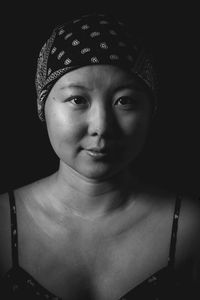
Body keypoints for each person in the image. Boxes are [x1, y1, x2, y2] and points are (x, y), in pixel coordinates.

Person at [0, 12, 199, 300]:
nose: (102, 126)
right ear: (44, 106)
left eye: (125, 101)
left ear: (150, 110)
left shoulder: (190, 231)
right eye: (77, 100)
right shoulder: (3, 225)